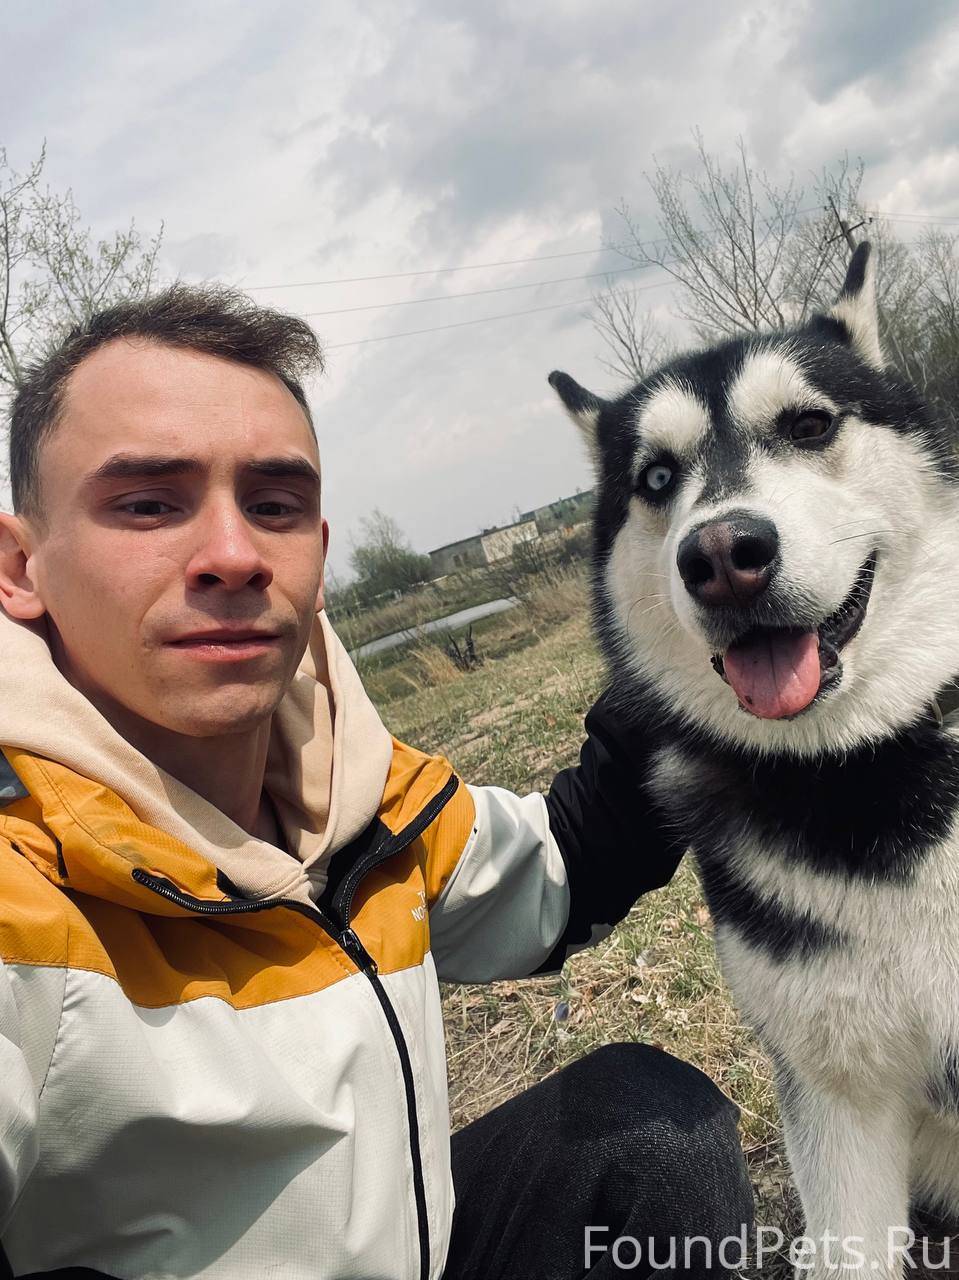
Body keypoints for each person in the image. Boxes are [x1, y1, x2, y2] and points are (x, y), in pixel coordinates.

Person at [0, 287, 753, 1280]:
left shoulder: (353, 787)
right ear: (20, 567)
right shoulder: (24, 892)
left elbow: (562, 866)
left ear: (316, 555)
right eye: (148, 503)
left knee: (647, 1126)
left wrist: (687, 655)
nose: (232, 554)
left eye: (273, 504)